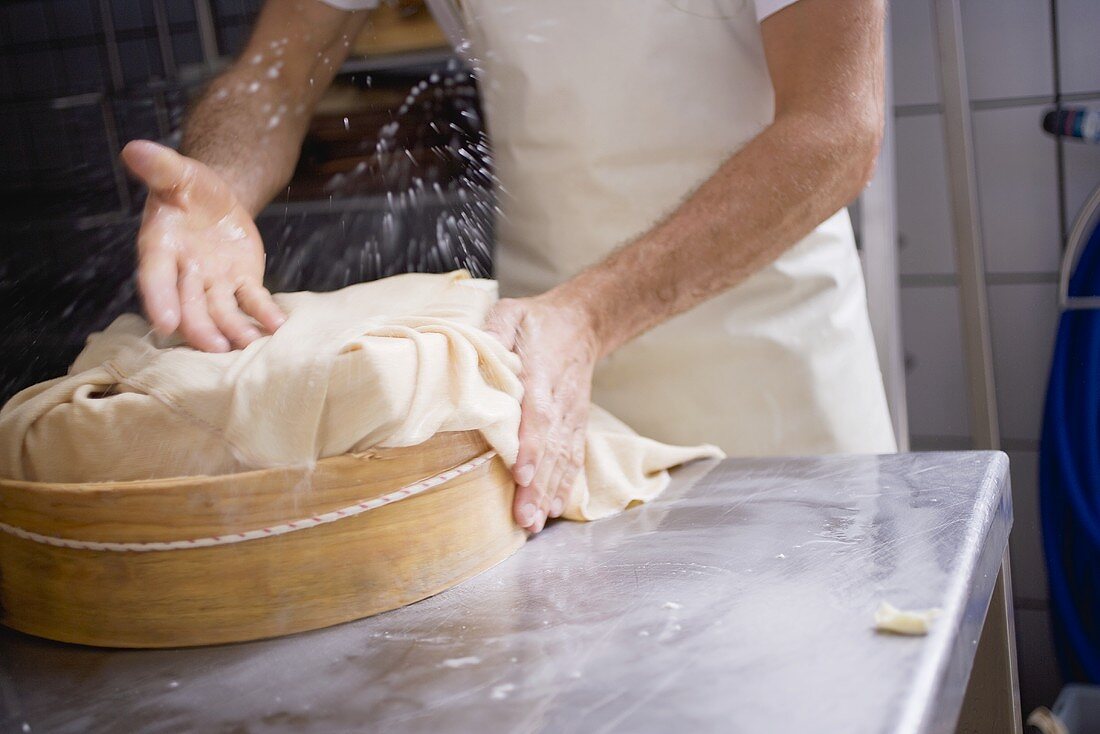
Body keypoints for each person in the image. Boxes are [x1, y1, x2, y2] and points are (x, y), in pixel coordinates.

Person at [119, 0, 896, 536]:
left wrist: (590, 317)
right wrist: (218, 180)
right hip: (543, 384)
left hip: (768, 375)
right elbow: (274, 78)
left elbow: (835, 130)